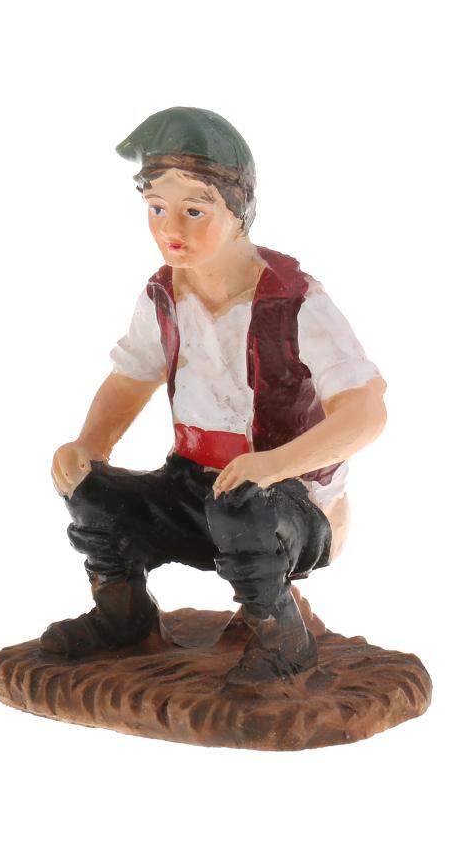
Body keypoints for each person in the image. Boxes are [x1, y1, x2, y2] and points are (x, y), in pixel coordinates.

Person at [43, 106, 386, 685]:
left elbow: (366, 412)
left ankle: (281, 639)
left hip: (290, 505)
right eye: (156, 208)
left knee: (243, 503)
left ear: (239, 210)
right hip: (194, 490)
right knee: (92, 494)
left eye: (194, 210)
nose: (169, 227)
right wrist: (88, 446)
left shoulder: (294, 301)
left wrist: (273, 466)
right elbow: (130, 379)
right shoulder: (163, 296)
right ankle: (124, 618)